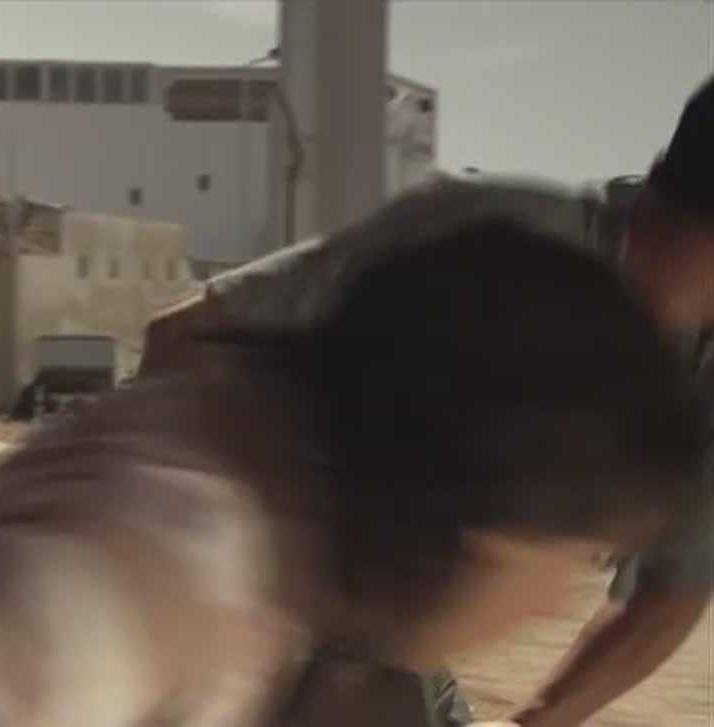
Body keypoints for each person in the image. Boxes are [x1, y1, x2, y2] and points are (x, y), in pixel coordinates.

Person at [0, 219, 705, 727]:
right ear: (481, 513)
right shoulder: (143, 585)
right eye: (580, 552)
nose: (564, 600)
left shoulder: (250, 445)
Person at [138, 73, 714, 726]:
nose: (558, 595)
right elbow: (184, 338)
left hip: (389, 652)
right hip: (264, 623)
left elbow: (673, 592)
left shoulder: (700, 371)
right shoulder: (489, 242)